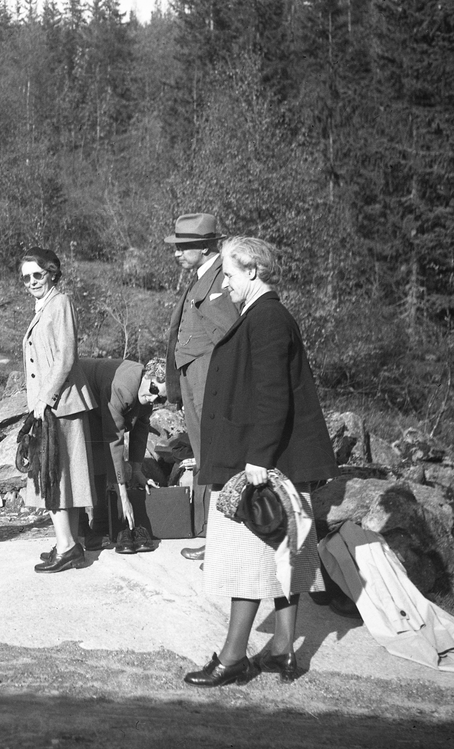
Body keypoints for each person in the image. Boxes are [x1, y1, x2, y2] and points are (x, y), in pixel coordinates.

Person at [184, 236, 338, 687]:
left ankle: (232, 659)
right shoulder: (262, 313)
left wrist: (257, 459)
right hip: (279, 458)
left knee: (245, 561)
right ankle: (282, 649)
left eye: (229, 274)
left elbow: (272, 396)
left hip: (263, 460)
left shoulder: (268, 317)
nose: (225, 284)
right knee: (280, 556)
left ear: (252, 270)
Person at [163, 213, 240, 562]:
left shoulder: (223, 279)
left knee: (216, 457)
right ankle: (215, 537)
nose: (177, 252)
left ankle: (223, 542)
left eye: (185, 246)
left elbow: (230, 334)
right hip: (194, 376)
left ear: (207, 246)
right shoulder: (202, 277)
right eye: (177, 246)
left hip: (209, 377)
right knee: (205, 455)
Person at [19, 248, 98, 573]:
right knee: (58, 475)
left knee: (54, 475)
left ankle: (68, 546)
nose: (32, 282)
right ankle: (68, 542)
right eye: (26, 277)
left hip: (59, 405)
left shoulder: (60, 302)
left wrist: (44, 400)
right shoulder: (44, 306)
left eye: (37, 274)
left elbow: (66, 356)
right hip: (52, 405)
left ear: (51, 272)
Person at [77, 357, 168, 554]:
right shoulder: (123, 388)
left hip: (99, 401)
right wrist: (123, 494)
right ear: (147, 375)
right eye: (154, 391)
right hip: (79, 390)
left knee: (101, 458)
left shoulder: (146, 393)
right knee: (83, 459)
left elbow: (141, 427)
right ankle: (82, 527)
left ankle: (102, 523)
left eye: (161, 398)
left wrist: (136, 470)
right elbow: (113, 439)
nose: (154, 399)